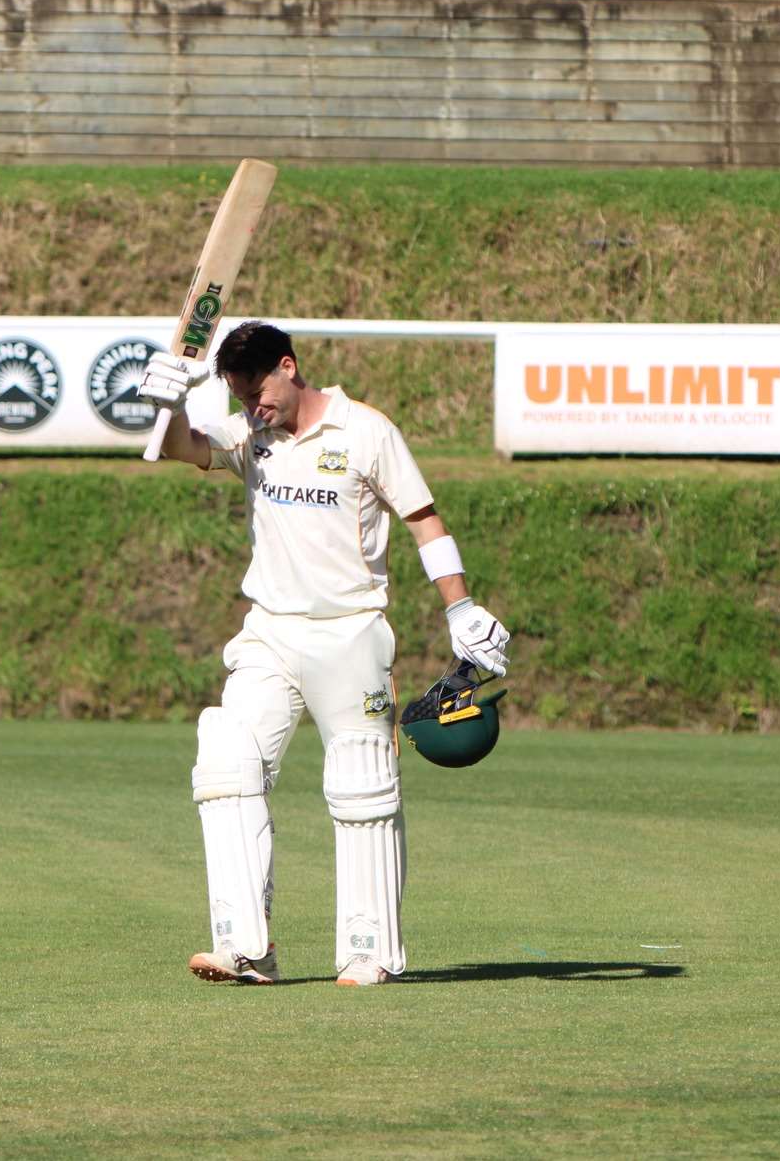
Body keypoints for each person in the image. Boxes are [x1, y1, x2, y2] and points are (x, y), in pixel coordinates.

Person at [137, 320, 512, 986]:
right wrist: (166, 405)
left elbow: (423, 518)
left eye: (259, 392)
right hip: (270, 630)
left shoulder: (366, 430)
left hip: (351, 631)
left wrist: (460, 607)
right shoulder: (251, 433)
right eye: (241, 397)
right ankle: (245, 948)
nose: (254, 408)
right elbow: (184, 448)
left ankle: (369, 951)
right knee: (227, 762)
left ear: (289, 365)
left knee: (363, 782)